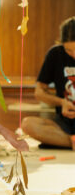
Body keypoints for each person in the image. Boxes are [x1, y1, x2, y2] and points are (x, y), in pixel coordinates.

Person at [21, 17, 75, 149]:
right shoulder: (55, 54)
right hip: (64, 124)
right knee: (28, 124)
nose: (74, 55)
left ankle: (67, 141)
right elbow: (39, 92)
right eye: (69, 50)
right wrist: (61, 102)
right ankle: (71, 140)